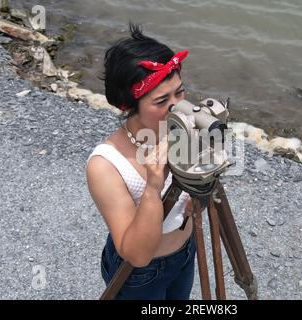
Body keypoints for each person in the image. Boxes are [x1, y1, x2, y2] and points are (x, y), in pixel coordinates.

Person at [85, 23, 196, 300]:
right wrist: (152, 186)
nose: (177, 107)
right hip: (141, 273)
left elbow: (192, 206)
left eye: (179, 93)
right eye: (161, 101)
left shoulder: (181, 131)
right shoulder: (106, 165)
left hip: (186, 251)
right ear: (128, 105)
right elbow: (137, 254)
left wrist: (201, 195)